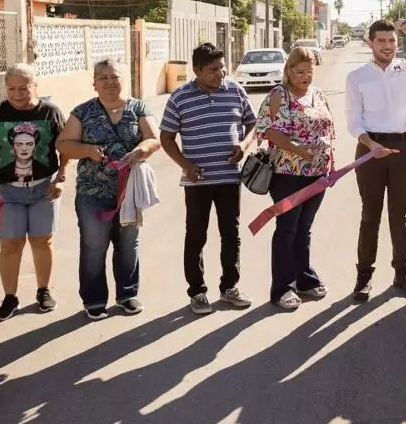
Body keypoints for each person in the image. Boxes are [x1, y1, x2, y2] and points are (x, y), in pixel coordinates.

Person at [57, 58, 160, 320]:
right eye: (103, 78)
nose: (109, 82)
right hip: (92, 193)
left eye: (114, 77)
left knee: (128, 244)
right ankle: (94, 300)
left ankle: (127, 294)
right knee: (94, 246)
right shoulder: (82, 112)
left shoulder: (138, 108)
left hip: (129, 191)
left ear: (123, 79)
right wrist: (87, 151)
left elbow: (153, 138)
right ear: (94, 84)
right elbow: (64, 144)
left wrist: (140, 151)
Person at [160, 43, 256, 315]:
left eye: (223, 67)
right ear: (197, 70)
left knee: (231, 234)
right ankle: (197, 292)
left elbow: (253, 123)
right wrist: (185, 165)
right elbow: (166, 138)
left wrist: (244, 145)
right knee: (196, 236)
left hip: (229, 178)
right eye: (213, 70)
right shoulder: (180, 97)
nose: (221, 73)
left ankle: (229, 288)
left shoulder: (236, 90)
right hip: (197, 182)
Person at [345, 17, 406, 301]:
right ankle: (363, 277)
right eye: (381, 41)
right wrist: (371, 144)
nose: (387, 46)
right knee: (370, 215)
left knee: (399, 214)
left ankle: (402, 271)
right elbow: (353, 120)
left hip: (402, 149)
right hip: (370, 149)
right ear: (370, 43)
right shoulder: (357, 77)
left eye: (392, 41)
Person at [0, 64, 68, 321]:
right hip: (7, 192)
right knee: (10, 245)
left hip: (43, 188)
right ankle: (10, 297)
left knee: (42, 241)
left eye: (23, 88)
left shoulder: (50, 112)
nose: (17, 94)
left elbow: (66, 148)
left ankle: (43, 291)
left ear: (35, 86)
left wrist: (62, 178)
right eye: (11, 88)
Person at [255, 46, 335, 310]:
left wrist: (330, 165)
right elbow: (268, 131)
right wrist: (300, 150)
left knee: (304, 229)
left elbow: (328, 130)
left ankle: (305, 279)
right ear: (288, 71)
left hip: (317, 174)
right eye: (299, 71)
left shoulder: (318, 94)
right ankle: (281, 288)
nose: (305, 76)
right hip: (287, 174)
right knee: (287, 229)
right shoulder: (279, 95)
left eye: (309, 71)